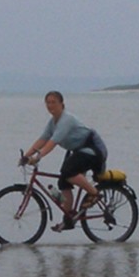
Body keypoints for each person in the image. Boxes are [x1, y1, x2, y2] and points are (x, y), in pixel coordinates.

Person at [20, 91, 103, 232]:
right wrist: (26, 156)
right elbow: (42, 139)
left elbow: (52, 142)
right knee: (63, 182)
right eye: (48, 102)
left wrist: (38, 157)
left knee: (69, 172)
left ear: (62, 104)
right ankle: (69, 219)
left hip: (92, 150)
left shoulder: (66, 120)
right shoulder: (53, 122)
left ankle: (94, 193)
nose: (50, 105)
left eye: (54, 102)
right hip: (78, 151)